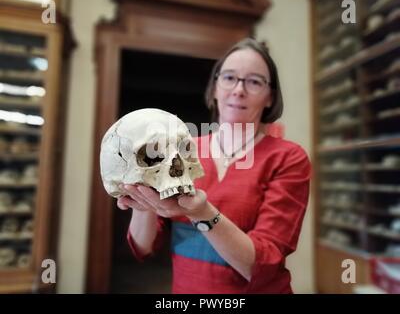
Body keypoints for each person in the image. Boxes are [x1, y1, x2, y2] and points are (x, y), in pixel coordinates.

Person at [117, 38, 311, 293]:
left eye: (254, 81)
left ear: (269, 97)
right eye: (229, 77)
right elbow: (144, 248)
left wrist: (202, 213)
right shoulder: (182, 150)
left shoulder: (288, 158)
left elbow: (262, 265)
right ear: (216, 87)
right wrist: (143, 203)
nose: (239, 89)